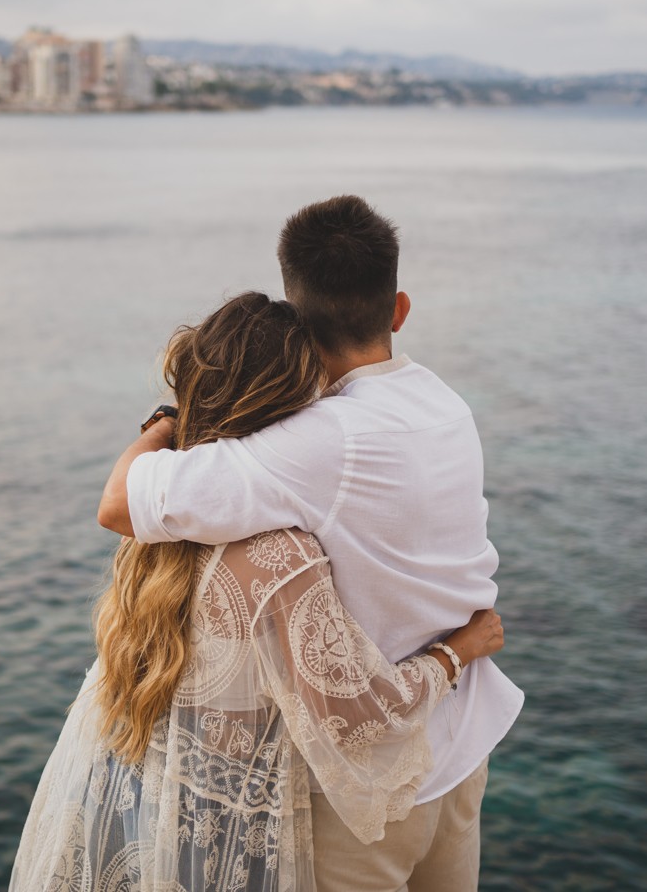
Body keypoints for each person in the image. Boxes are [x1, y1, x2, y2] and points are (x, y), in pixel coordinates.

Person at [9, 292, 505, 892]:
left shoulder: (153, 544)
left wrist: (165, 424)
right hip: (245, 848)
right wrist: (458, 652)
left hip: (162, 825)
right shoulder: (280, 560)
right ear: (292, 408)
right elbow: (358, 714)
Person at [98, 196, 524, 892]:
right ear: (400, 309)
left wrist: (164, 422)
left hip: (372, 787)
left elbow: (120, 504)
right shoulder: (443, 401)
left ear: (299, 318)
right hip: (463, 748)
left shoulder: (321, 443)